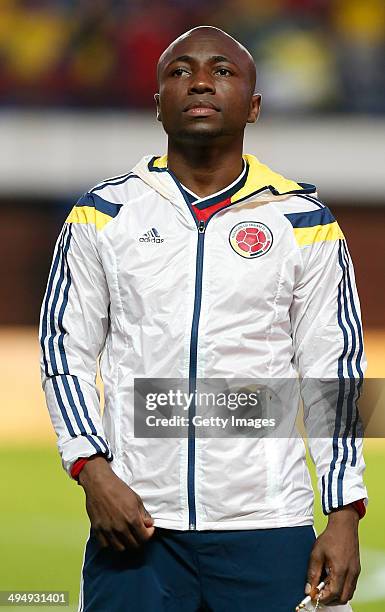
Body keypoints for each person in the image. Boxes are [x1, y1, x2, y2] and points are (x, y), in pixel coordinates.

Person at [39, 26, 367, 612]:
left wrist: (344, 513)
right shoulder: (103, 213)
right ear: (158, 102)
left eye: (222, 70)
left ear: (255, 105)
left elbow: (334, 372)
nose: (200, 82)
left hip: (269, 523)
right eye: (179, 70)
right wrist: (92, 471)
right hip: (135, 523)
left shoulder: (303, 220)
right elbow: (63, 352)